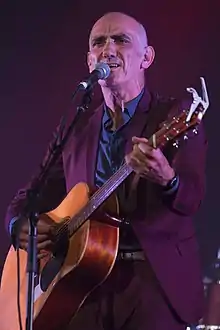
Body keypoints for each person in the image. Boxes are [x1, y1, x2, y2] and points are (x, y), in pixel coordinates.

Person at [4, 11, 208, 330]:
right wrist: (19, 226)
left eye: (120, 40)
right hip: (83, 285)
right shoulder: (77, 127)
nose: (108, 49)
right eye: (98, 42)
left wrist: (167, 178)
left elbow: (192, 197)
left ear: (146, 57)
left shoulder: (174, 115)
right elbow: (31, 195)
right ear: (89, 61)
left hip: (153, 285)